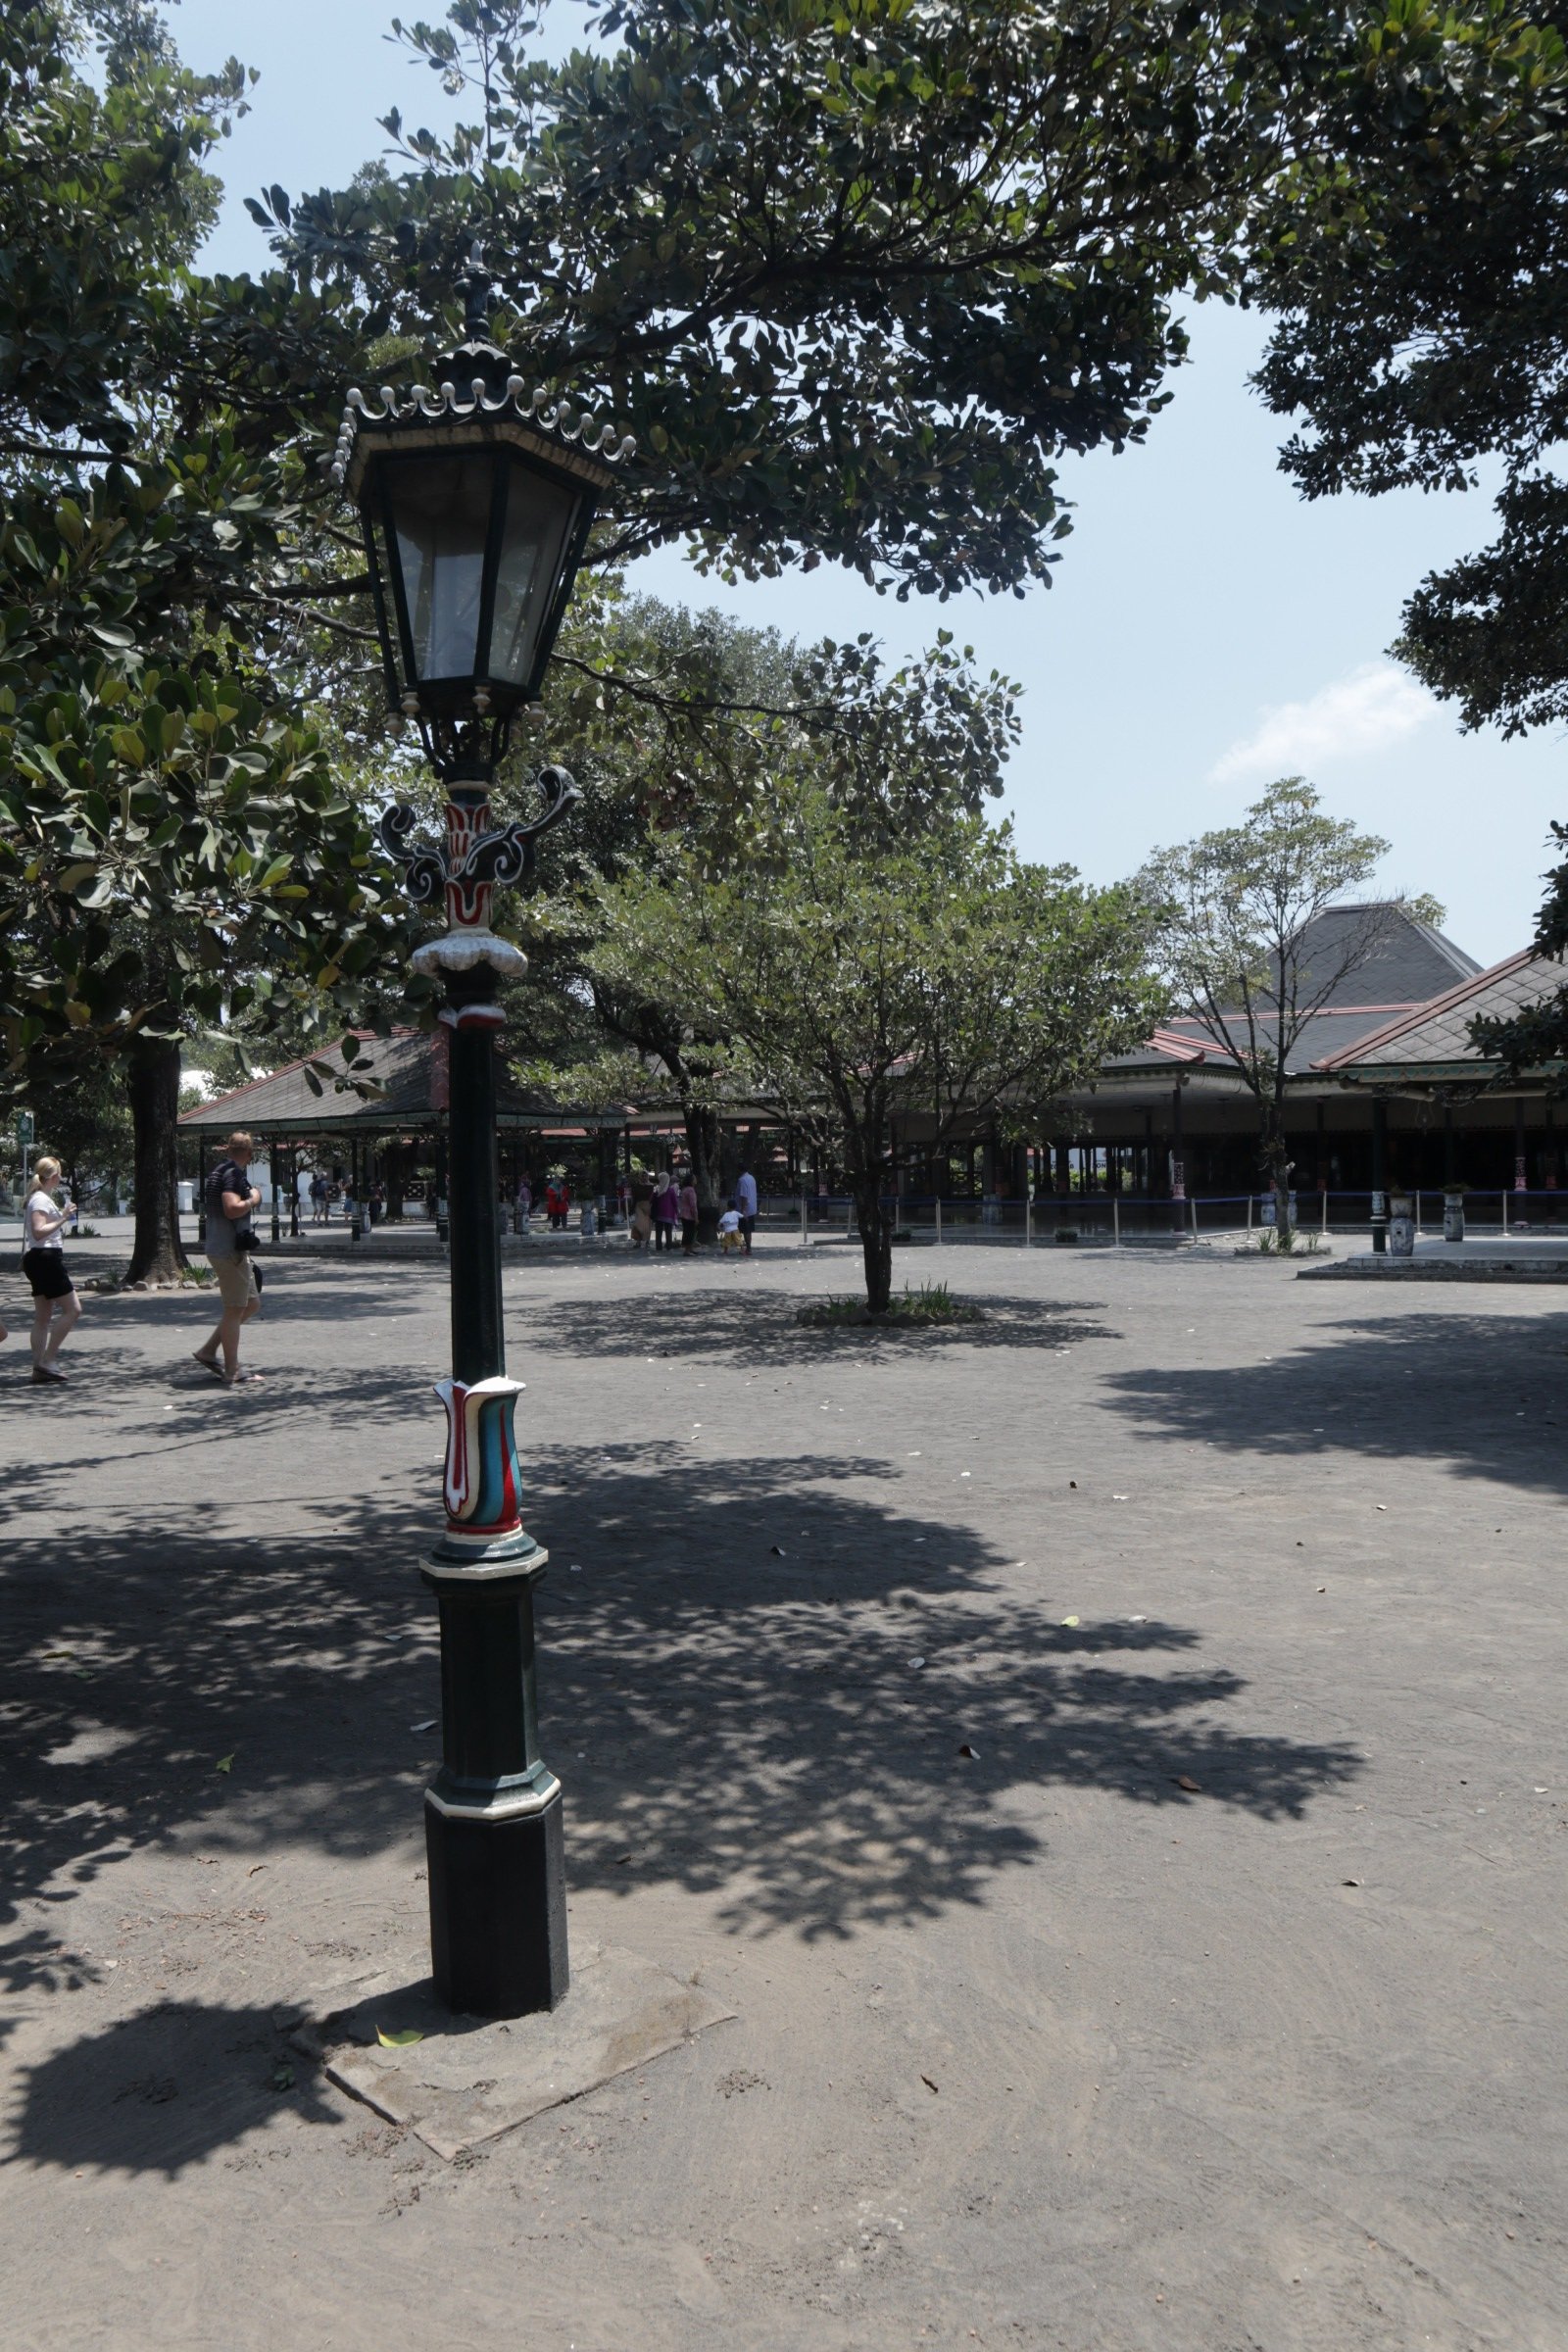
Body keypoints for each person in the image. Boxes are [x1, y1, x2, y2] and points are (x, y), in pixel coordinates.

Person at [194, 1130, 264, 1386]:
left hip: (226, 1249)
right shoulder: (232, 1174)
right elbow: (232, 1208)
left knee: (251, 1303)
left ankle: (208, 1350)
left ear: (227, 1148)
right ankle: (232, 1370)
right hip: (228, 1251)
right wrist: (253, 1199)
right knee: (234, 1310)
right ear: (250, 1153)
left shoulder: (219, 1171)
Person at [23, 1156, 80, 1385]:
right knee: (73, 1309)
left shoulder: (40, 1198)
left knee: (43, 1317)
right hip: (46, 1259)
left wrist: (62, 1215)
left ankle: (39, 1367)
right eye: (60, 1173)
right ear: (54, 1176)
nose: (62, 1177)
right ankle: (47, 1360)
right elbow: (38, 1231)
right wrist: (63, 1217)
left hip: (39, 1259)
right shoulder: (40, 1199)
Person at [735, 1162, 759, 1254]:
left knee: (745, 1230)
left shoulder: (742, 1180)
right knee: (748, 1229)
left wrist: (743, 1210)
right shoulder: (751, 1178)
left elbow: (744, 1196)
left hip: (745, 1209)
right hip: (752, 1207)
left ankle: (748, 1249)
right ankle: (747, 1248)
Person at [654, 1170, 679, 1251]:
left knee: (658, 1231)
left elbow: (652, 1200)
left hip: (658, 1213)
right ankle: (669, 1246)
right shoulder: (670, 1190)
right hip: (669, 1214)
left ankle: (658, 1247)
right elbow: (675, 1202)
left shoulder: (656, 1190)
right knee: (668, 1231)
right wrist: (677, 1212)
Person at [678, 1170, 699, 1254]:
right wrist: (696, 1217)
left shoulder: (684, 1189)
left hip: (683, 1213)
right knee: (690, 1232)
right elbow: (693, 1205)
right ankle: (687, 1250)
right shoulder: (691, 1190)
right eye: (694, 1179)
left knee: (687, 1231)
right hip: (689, 1215)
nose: (696, 1180)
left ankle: (690, 1249)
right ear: (691, 1181)